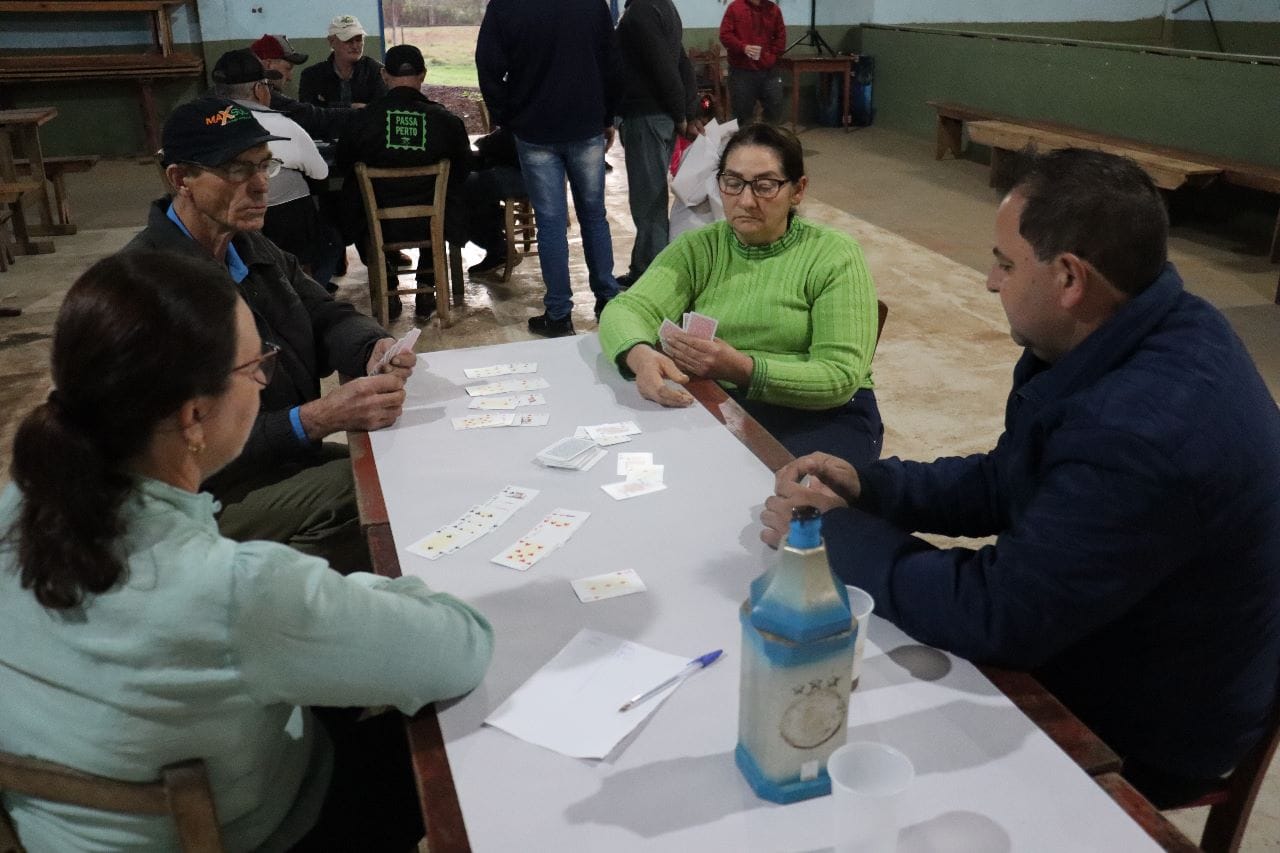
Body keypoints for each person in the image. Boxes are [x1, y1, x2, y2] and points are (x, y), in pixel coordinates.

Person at [760, 148, 1280, 808]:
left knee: (840, 717)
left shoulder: (1143, 428)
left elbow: (1000, 613)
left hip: (1152, 722)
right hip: (1117, 626)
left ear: (1069, 278)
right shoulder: (1134, 327)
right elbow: (1010, 477)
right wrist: (873, 487)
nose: (988, 282)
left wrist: (830, 538)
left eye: (1005, 264)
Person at [0, 250, 494, 851]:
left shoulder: (22, 503)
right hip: (259, 831)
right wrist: (373, 591)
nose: (265, 380)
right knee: (451, 744)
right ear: (194, 416)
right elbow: (460, 648)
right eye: (258, 367)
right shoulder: (238, 590)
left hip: (50, 834)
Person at [128, 96, 413, 574]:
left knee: (396, 461)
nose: (262, 184)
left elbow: (323, 313)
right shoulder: (144, 289)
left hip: (275, 461)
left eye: (264, 165)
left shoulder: (248, 247)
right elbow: (179, 448)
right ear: (180, 179)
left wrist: (372, 346)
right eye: (236, 169)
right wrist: (314, 419)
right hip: (197, 501)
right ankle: (262, 602)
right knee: (366, 493)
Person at [599, 123, 882, 467]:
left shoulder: (833, 255)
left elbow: (838, 376)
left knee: (785, 494)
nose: (746, 201)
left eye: (765, 186)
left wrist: (742, 369)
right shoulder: (701, 248)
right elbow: (627, 309)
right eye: (733, 183)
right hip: (728, 401)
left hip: (826, 414)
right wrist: (640, 355)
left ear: (798, 190)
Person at [476, 0, 622, 337]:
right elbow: (612, 62)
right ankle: (608, 301)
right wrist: (607, 115)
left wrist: (507, 117)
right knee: (594, 216)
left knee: (551, 224)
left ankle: (559, 315)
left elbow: (487, 64)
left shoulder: (506, 6)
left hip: (534, 129)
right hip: (585, 123)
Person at [336, 44, 471, 321]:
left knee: (353, 198)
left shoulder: (361, 121)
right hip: (433, 222)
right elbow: (462, 170)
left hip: (377, 224)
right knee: (445, 199)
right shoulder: (446, 122)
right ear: (423, 75)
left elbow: (342, 165)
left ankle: (387, 282)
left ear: (385, 75)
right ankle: (426, 286)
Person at [211, 48, 337, 290]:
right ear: (260, 90)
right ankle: (306, 292)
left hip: (220, 227)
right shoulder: (284, 127)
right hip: (280, 228)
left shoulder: (201, 125)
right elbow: (321, 174)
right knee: (331, 237)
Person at [615, 0, 702, 290]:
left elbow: (665, 67)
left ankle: (653, 277)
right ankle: (641, 267)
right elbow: (682, 62)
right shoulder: (664, 6)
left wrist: (682, 114)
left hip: (647, 116)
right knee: (651, 196)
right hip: (660, 115)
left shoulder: (641, 11)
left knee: (648, 200)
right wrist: (688, 111)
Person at [250, 32, 358, 142]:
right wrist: (362, 114)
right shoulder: (262, 96)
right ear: (268, 65)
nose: (290, 77)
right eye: (288, 68)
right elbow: (310, 117)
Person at [465, 124, 526, 277]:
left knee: (462, 188)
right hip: (536, 169)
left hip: (527, 174)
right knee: (476, 181)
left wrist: (484, 144)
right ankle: (496, 238)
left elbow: (505, 139)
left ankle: (498, 248)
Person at [719, 0, 786, 124]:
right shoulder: (735, 7)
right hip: (741, 71)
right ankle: (745, 136)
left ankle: (767, 135)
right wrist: (743, 47)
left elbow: (781, 38)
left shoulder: (774, 10)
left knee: (775, 108)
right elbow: (725, 35)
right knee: (742, 115)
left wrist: (770, 56)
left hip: (769, 71)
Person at [299, 15, 388, 109]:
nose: (355, 46)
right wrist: (350, 107)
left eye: (359, 40)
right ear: (331, 41)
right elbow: (307, 110)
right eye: (348, 40)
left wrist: (329, 106)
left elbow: (383, 108)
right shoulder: (312, 75)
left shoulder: (377, 72)